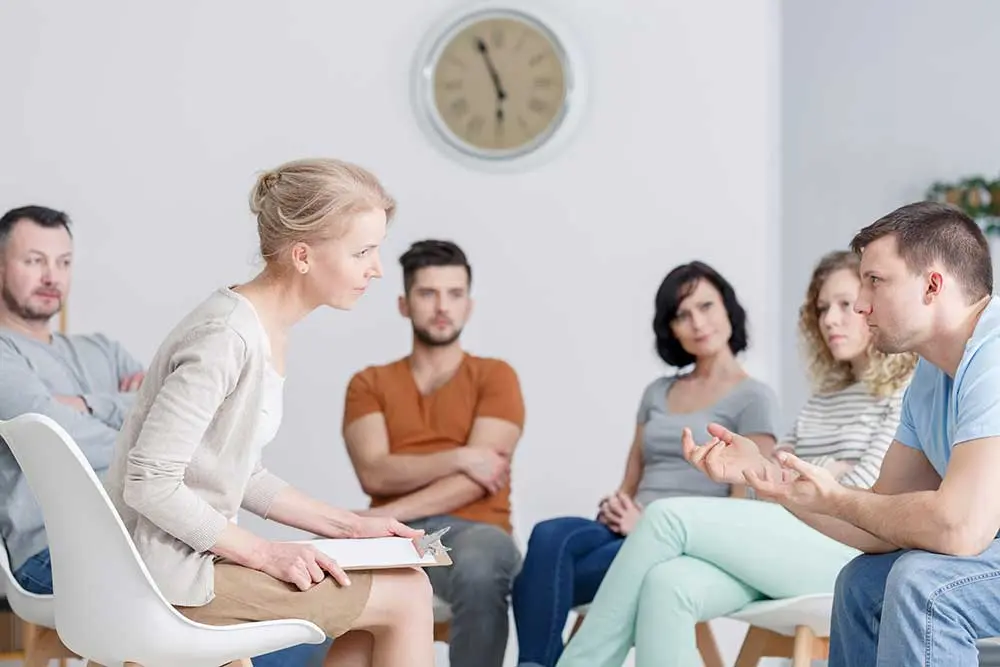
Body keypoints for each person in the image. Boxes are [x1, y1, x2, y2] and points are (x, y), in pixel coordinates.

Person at [102, 158, 435, 667]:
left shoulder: (260, 327)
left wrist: (349, 526)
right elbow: (150, 482)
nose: (378, 268)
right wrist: (265, 553)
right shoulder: (226, 338)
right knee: (407, 596)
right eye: (362, 251)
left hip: (184, 563)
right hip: (164, 574)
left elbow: (234, 470)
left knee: (389, 593)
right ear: (303, 255)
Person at [555, 250, 917, 667]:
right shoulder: (825, 398)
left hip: (844, 552)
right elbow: (781, 484)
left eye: (843, 304)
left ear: (873, 303)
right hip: (789, 539)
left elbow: (860, 494)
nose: (830, 319)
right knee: (666, 583)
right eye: (821, 308)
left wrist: (800, 477)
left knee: (666, 517)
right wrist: (816, 474)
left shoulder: (905, 390)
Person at [684, 201, 1000, 667]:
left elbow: (958, 528)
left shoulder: (993, 356)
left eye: (875, 281)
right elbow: (876, 522)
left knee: (923, 583)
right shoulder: (931, 379)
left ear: (933, 285)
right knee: (861, 582)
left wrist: (836, 497)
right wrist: (764, 475)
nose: (861, 304)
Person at [512, 260, 781, 667]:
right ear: (670, 328)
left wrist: (650, 526)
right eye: (682, 315)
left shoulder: (753, 398)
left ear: (727, 308)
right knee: (549, 537)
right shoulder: (658, 391)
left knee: (539, 579)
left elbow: (740, 511)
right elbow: (632, 479)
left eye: (706, 306)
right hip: (626, 528)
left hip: (681, 539)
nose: (697, 322)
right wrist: (618, 506)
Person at [342, 239, 525, 667]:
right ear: (404, 304)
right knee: (314, 577)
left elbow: (479, 479)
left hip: (471, 533)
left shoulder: (496, 377)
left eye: (454, 294)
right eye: (428, 293)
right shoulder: (368, 383)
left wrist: (386, 514)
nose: (442, 306)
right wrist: (462, 457)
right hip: (389, 539)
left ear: (469, 305)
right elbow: (375, 473)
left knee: (481, 566)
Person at [0, 204, 145, 595]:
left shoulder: (103, 349)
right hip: (53, 551)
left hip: (141, 537)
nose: (52, 276)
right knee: (228, 615)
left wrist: (87, 404)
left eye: (63, 263)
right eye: (34, 261)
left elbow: (171, 413)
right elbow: (54, 441)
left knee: (274, 596)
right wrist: (128, 410)